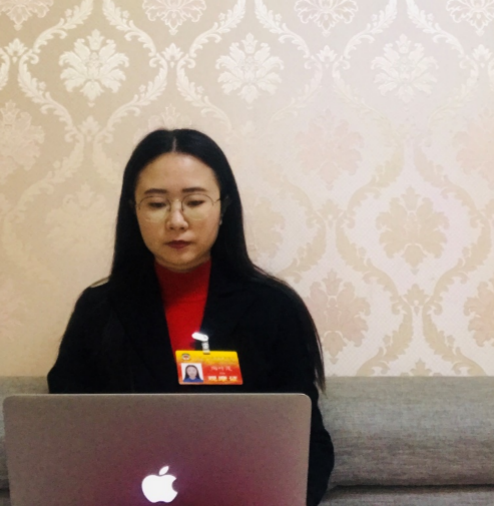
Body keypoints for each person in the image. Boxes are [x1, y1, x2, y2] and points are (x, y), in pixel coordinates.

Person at [47, 128, 335, 506]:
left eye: (195, 201)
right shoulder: (98, 310)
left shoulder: (274, 308)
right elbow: (64, 436)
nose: (176, 221)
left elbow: (306, 444)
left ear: (223, 207)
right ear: (133, 211)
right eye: (156, 203)